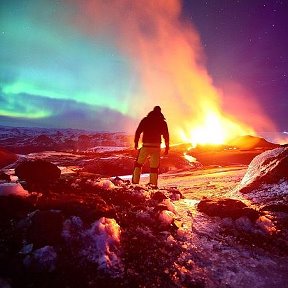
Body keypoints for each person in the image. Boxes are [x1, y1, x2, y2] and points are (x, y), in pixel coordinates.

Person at [132, 106, 169, 187]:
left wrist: (136, 143)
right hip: (156, 147)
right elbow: (166, 135)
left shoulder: (146, 120)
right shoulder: (162, 122)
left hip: (146, 146)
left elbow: (138, 131)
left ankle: (135, 183)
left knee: (138, 164)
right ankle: (153, 185)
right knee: (154, 168)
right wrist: (167, 148)